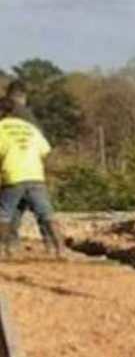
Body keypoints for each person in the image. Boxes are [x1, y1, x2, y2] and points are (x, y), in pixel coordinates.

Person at [0, 93, 66, 258]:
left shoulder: (1, 128)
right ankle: (59, 248)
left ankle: (4, 249)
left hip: (13, 176)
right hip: (36, 176)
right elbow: (45, 150)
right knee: (46, 214)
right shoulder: (30, 128)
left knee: (4, 214)